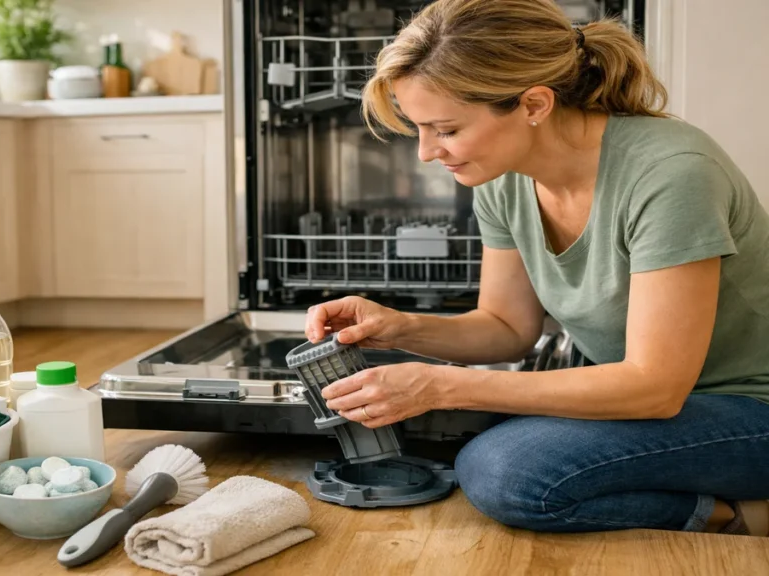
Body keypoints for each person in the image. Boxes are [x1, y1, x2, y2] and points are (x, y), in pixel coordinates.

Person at [303, 0, 769, 537]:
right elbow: (506, 328)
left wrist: (440, 385)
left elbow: (654, 387)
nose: (427, 153)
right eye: (420, 129)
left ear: (534, 104)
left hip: (745, 406)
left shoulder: (670, 174)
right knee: (488, 440)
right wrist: (399, 327)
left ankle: (739, 518)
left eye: (446, 130)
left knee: (509, 472)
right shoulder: (502, 175)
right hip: (655, 403)